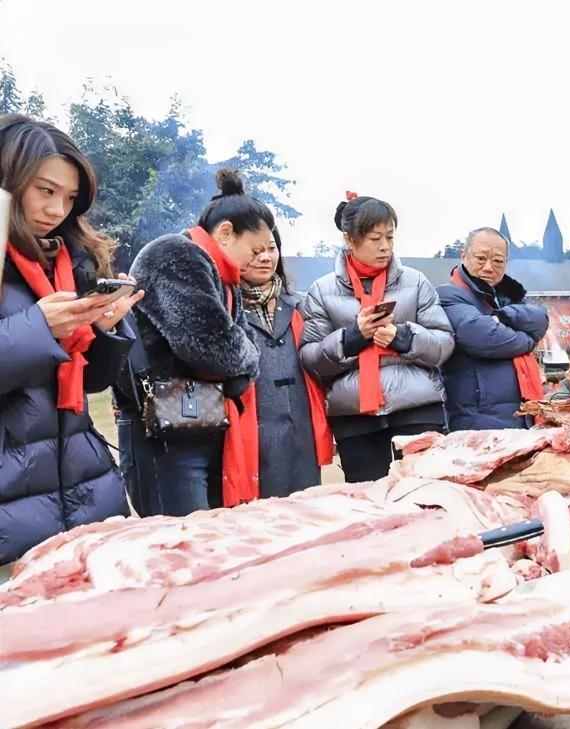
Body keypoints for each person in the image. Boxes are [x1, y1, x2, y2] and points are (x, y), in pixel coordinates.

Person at [0, 114, 142, 563]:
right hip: (11, 511)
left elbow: (88, 385)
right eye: (45, 191)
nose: (57, 210)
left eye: (70, 197)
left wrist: (104, 330)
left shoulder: (70, 262)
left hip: (84, 491)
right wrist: (38, 329)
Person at [128, 169, 266, 515]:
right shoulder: (176, 254)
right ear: (225, 232)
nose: (262, 257)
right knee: (178, 543)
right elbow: (213, 349)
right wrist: (241, 365)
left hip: (199, 421)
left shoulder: (226, 278)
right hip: (164, 429)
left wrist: (241, 363)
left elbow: (242, 347)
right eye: (256, 247)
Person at [300, 194, 453, 482]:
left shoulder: (415, 282)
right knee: (369, 506)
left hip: (417, 409)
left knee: (425, 498)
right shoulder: (321, 291)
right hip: (355, 416)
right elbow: (310, 358)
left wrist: (404, 338)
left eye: (390, 237)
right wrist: (352, 338)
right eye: (375, 238)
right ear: (349, 239)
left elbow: (444, 343)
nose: (385, 247)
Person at [239, 227, 333, 497]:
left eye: (271, 249)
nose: (265, 258)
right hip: (251, 428)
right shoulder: (227, 308)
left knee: (304, 511)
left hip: (301, 427)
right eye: (255, 251)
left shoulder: (299, 305)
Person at [437, 227, 549, 430]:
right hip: (477, 419)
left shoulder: (509, 296)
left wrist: (499, 316)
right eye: (481, 258)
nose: (489, 267)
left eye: (498, 261)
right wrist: (528, 340)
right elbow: (484, 338)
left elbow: (540, 318)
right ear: (464, 256)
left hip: (522, 416)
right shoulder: (448, 295)